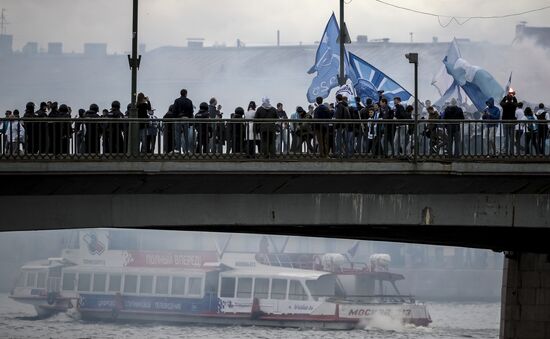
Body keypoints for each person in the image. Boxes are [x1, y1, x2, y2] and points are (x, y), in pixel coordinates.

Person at [172, 89, 194, 154]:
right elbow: (191, 112)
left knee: (178, 135)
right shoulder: (189, 101)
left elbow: (174, 111)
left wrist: (176, 118)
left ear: (180, 93)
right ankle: (186, 150)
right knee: (186, 136)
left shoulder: (177, 101)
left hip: (178, 119)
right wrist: (190, 122)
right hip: (186, 119)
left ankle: (178, 150)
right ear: (186, 94)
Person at [500, 91, 518, 155]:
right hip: (512, 122)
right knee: (512, 138)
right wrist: (513, 96)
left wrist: (506, 97)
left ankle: (505, 151)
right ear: (512, 99)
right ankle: (512, 152)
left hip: (505, 122)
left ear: (507, 99)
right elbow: (516, 103)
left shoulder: (505, 105)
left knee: (505, 137)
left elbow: (501, 102)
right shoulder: (514, 105)